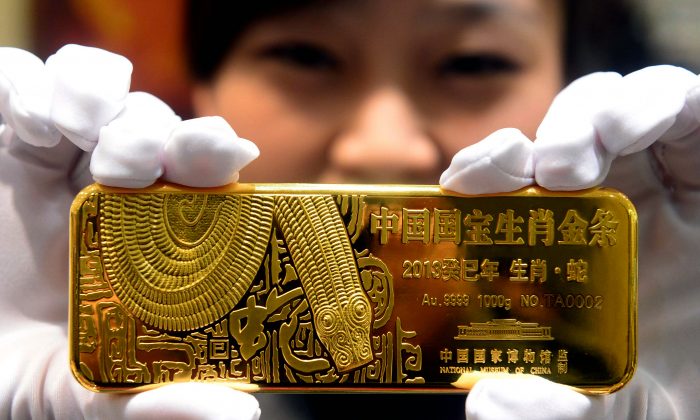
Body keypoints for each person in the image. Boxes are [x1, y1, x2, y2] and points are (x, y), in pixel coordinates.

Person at [0, 1, 697, 419]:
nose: (382, 147)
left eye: (474, 63)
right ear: (204, 87)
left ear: (566, 78)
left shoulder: (664, 339)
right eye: (304, 55)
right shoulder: (68, 342)